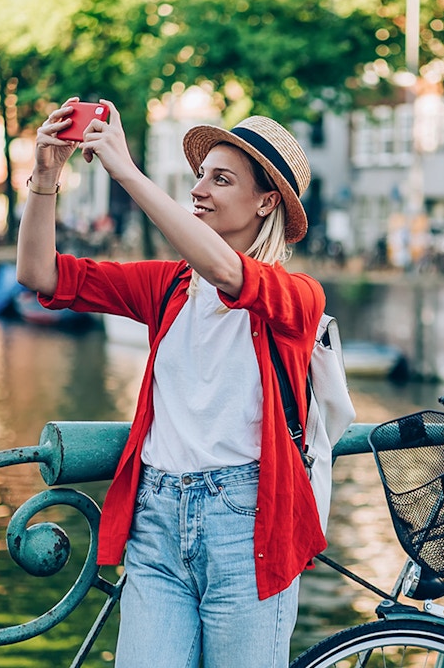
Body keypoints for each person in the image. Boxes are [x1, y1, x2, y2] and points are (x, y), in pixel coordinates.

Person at [16, 97, 326, 668]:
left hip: (246, 527)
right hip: (157, 519)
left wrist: (127, 172)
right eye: (200, 175)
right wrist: (45, 176)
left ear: (265, 202)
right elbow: (41, 274)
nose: (200, 189)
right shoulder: (169, 287)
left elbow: (229, 272)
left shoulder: (297, 298)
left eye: (222, 179)